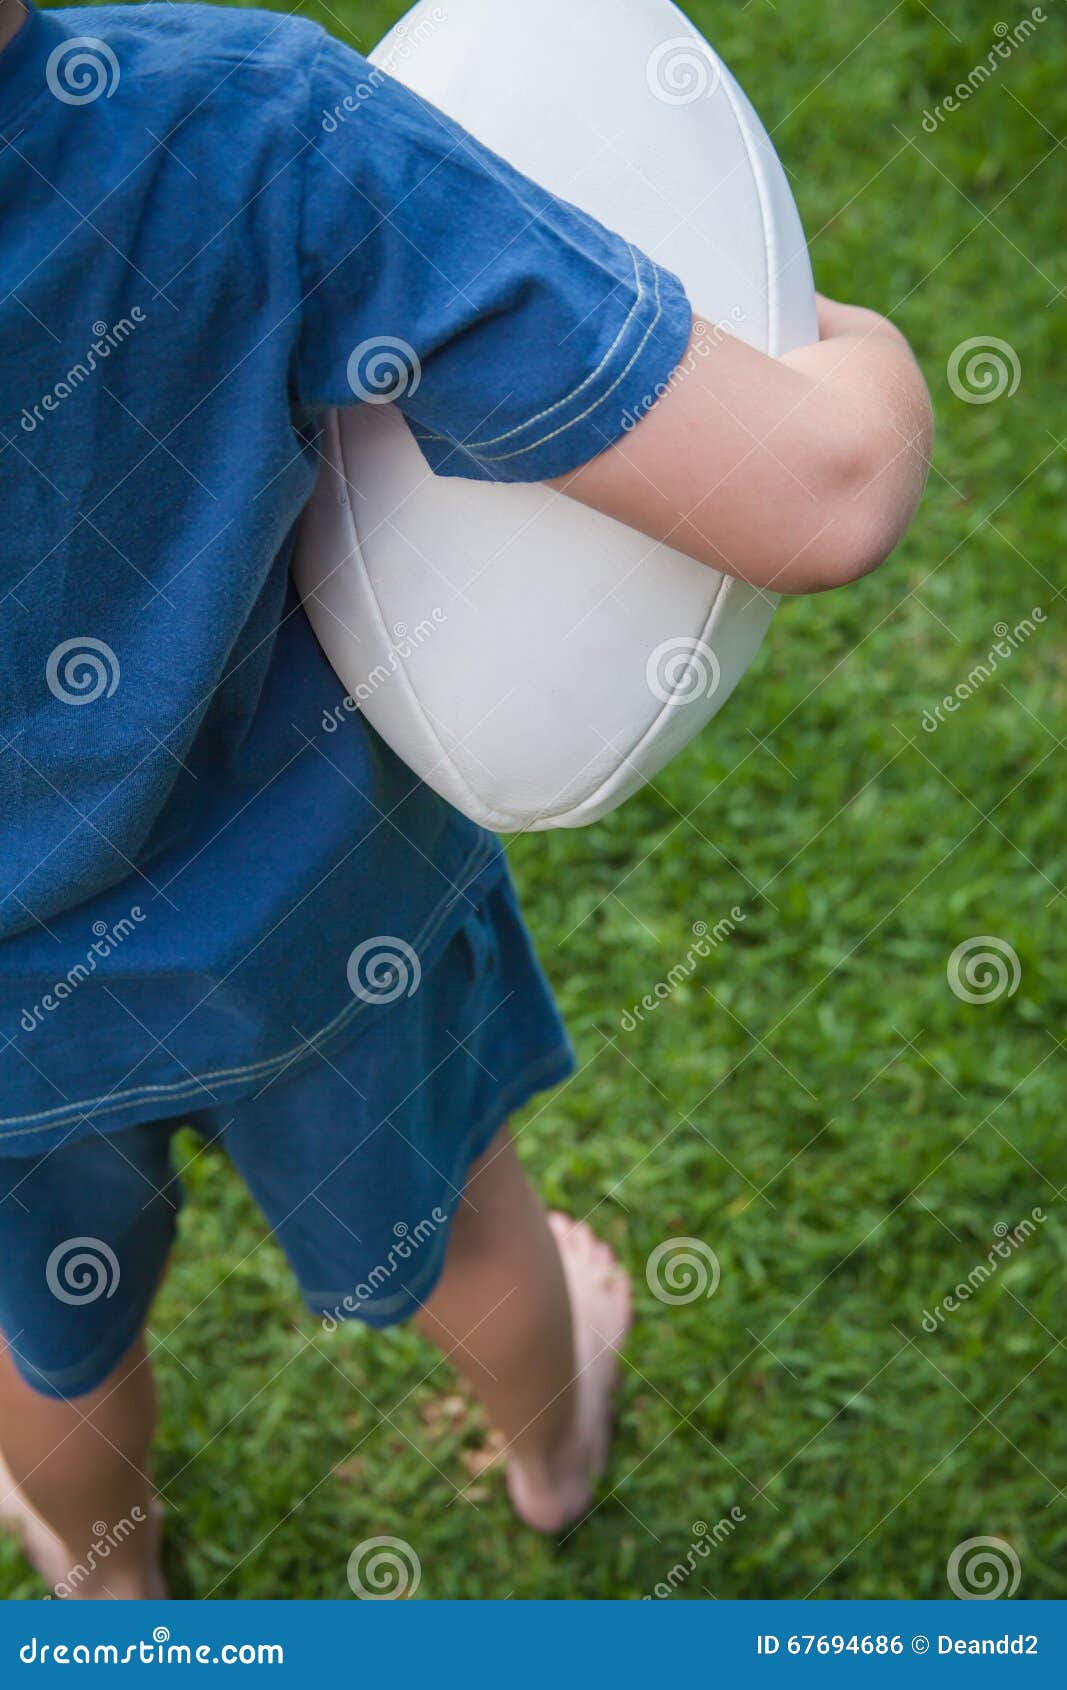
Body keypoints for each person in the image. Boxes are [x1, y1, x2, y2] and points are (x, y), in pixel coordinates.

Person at [0, 0, 931, 1599]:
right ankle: (554, 1465)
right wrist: (867, 357)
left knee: (45, 1329)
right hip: (316, 922)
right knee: (470, 1222)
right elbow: (814, 496)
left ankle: (108, 1587)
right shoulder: (249, 126)